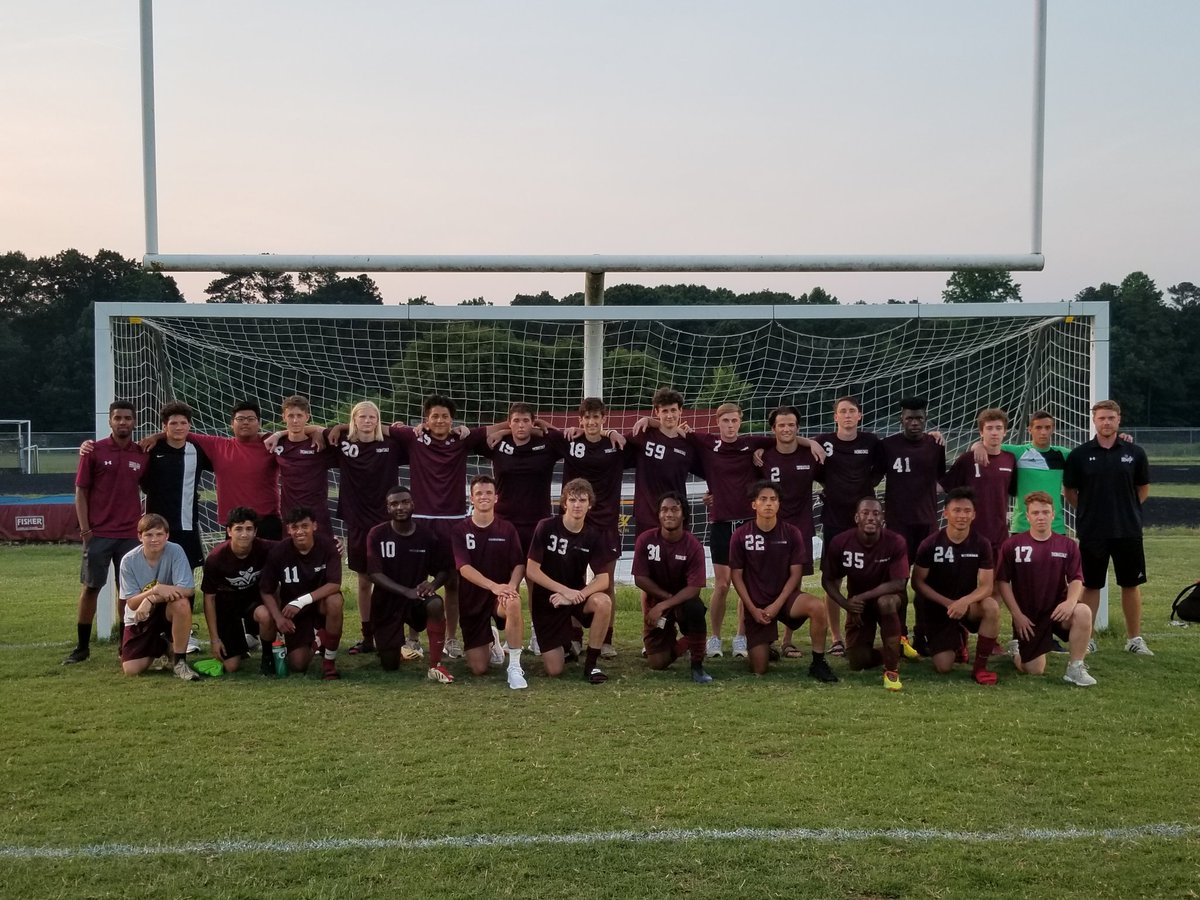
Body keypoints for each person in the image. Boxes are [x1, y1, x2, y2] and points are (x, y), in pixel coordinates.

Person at [388, 394, 490, 660]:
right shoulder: (414, 437)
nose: (440, 420)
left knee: (453, 582)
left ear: (452, 419)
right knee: (416, 579)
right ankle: (413, 639)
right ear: (426, 419)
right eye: (435, 416)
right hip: (421, 520)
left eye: (445, 416)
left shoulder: (462, 439)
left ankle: (451, 639)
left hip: (453, 521)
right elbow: (375, 426)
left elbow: (501, 427)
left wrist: (540, 424)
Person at [679, 402, 776, 661]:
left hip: (747, 523)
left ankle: (741, 636)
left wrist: (808, 444)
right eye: (725, 421)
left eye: (734, 420)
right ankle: (715, 637)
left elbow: (784, 439)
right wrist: (646, 421)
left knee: (746, 585)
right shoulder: (708, 443)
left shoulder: (751, 444)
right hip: (721, 523)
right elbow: (676, 429)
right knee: (722, 584)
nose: (730, 425)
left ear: (740, 422)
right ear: (718, 422)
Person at [1063, 399, 1153, 655]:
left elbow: (1143, 489)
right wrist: (1089, 510)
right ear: (1094, 420)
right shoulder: (1079, 455)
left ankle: (1134, 639)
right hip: (1092, 531)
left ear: (1118, 419)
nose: (1106, 422)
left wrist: (1127, 509)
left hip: (1128, 530)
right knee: (1091, 585)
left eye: (1111, 418)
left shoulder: (1135, 453)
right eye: (1101, 418)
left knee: (1130, 584)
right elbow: (1069, 491)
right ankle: (1088, 637)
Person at [728, 481, 836, 681]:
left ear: (779, 504)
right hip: (757, 605)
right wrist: (752, 609)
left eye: (773, 499)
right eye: (763, 499)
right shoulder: (741, 535)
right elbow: (736, 575)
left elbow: (796, 574)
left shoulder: (792, 532)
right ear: (754, 504)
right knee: (759, 669)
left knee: (818, 607)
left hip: (785, 601)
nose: (768, 503)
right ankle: (764, 646)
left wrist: (777, 604)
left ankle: (818, 662)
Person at [65, 400, 145, 665]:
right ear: (110, 421)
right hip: (98, 533)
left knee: (127, 592)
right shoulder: (93, 451)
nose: (123, 422)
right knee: (91, 588)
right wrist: (86, 530)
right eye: (118, 418)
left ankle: (125, 646)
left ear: (134, 422)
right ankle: (82, 648)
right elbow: (81, 492)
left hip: (130, 535)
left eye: (127, 418)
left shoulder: (141, 453)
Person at [329, 400, 408, 656]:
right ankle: (367, 636)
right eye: (362, 416)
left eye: (372, 417)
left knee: (392, 579)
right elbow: (312, 431)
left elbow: (414, 438)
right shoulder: (343, 443)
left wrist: (394, 428)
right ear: (353, 420)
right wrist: (339, 427)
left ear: (378, 420)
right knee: (364, 580)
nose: (367, 421)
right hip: (357, 522)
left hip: (388, 523)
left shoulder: (392, 445)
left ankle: (397, 634)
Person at [996, 491, 1095, 686]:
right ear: (1027, 516)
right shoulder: (1012, 545)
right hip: (1030, 616)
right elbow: (1003, 582)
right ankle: (1017, 651)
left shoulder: (1067, 545)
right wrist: (1017, 614)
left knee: (1083, 611)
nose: (1040, 517)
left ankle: (1075, 668)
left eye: (1045, 512)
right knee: (1034, 670)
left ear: (1053, 514)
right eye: (1035, 513)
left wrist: (1070, 602)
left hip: (1058, 610)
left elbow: (1076, 579)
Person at [553, 397, 627, 658]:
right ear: (580, 419)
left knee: (606, 582)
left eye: (597, 417)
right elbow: (537, 428)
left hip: (605, 524)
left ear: (604, 419)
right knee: (572, 580)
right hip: (574, 524)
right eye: (587, 417)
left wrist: (613, 432)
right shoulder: (570, 441)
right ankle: (574, 638)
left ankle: (606, 639)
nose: (592, 422)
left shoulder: (616, 445)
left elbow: (649, 434)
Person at [811, 396, 882, 659]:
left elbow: (881, 470)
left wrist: (864, 487)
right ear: (836, 417)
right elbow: (815, 469)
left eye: (852, 411)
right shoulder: (823, 441)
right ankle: (836, 637)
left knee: (867, 575)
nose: (848, 415)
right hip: (834, 519)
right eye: (843, 411)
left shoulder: (871, 442)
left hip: (865, 523)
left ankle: (864, 631)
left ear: (860, 415)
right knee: (833, 579)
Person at [525, 478, 616, 683]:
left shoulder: (593, 535)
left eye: (582, 500)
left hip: (574, 597)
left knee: (603, 602)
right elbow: (532, 570)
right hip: (547, 601)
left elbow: (604, 580)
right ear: (564, 503)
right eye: (572, 500)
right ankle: (566, 645)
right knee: (555, 670)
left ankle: (591, 665)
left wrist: (577, 595)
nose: (577, 505)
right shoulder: (546, 526)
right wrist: (563, 591)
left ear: (590, 504)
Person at [877, 397, 946, 658]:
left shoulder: (935, 446)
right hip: (898, 527)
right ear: (901, 420)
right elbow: (872, 476)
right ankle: (901, 635)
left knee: (926, 586)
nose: (914, 423)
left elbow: (942, 479)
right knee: (899, 585)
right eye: (909, 418)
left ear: (925, 420)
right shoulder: (888, 446)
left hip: (927, 525)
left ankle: (922, 634)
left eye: (919, 418)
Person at [911, 487, 1001, 684]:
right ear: (945, 513)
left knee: (991, 606)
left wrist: (964, 602)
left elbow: (986, 586)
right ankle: (957, 638)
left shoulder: (981, 543)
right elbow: (917, 582)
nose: (962, 515)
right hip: (938, 607)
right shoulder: (930, 543)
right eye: (956, 510)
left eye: (967, 511)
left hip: (967, 606)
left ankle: (980, 667)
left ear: (974, 514)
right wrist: (948, 603)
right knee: (944, 666)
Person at [366, 486, 454, 683]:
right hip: (387, 601)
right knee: (390, 665)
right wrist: (405, 591)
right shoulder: (377, 534)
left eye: (405, 502)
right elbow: (374, 574)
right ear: (388, 508)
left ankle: (436, 664)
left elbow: (444, 569)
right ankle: (393, 646)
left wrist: (433, 585)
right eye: (394, 504)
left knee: (435, 603)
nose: (400, 507)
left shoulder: (427, 535)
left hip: (417, 598)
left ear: (413, 504)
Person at [822, 496, 909, 690]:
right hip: (859, 606)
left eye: (876, 513)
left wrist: (861, 597)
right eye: (865, 513)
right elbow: (827, 580)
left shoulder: (895, 541)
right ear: (856, 518)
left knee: (885, 602)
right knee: (857, 660)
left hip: (890, 599)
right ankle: (895, 649)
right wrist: (846, 604)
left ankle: (892, 669)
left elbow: (899, 583)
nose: (871, 517)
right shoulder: (841, 542)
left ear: (882, 518)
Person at [451, 475, 529, 689]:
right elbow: (464, 568)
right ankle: (491, 639)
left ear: (496, 497)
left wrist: (511, 587)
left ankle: (514, 667)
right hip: (472, 600)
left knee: (513, 602)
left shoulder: (507, 529)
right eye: (478, 493)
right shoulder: (460, 530)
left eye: (488, 493)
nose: (483, 496)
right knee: (479, 669)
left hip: (499, 598)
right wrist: (494, 586)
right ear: (471, 498)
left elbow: (519, 564)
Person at [758, 404, 823, 658]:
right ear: (773, 429)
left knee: (795, 582)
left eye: (791, 425)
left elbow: (833, 476)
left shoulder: (811, 454)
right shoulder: (762, 455)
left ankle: (787, 640)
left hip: (801, 528)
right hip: (769, 528)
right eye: (781, 425)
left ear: (798, 427)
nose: (786, 429)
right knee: (763, 581)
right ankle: (763, 638)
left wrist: (811, 442)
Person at [632, 491, 713, 684]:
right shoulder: (646, 540)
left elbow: (694, 589)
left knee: (695, 607)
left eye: (674, 509)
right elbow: (640, 579)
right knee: (657, 663)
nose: (669, 514)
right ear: (658, 514)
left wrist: (666, 604)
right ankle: (690, 641)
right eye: (664, 510)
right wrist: (664, 602)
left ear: (683, 514)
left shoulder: (693, 545)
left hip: (684, 602)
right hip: (657, 601)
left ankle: (697, 665)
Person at [259, 507, 345, 679]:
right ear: (288, 529)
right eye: (295, 527)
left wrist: (301, 601)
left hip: (319, 604)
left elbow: (334, 584)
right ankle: (320, 638)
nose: (300, 531)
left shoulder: (328, 546)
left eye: (305, 526)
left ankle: (329, 662)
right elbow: (266, 590)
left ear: (314, 526)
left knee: (335, 601)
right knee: (298, 664)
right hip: (294, 612)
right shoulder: (279, 552)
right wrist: (278, 618)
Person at [178, 401, 282, 539]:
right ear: (232, 423)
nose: (245, 422)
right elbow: (179, 433)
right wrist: (157, 437)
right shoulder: (218, 445)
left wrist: (280, 434)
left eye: (251, 419)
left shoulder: (271, 443)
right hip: (235, 524)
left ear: (259, 423)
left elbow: (301, 433)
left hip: (267, 521)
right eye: (240, 419)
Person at [117, 513, 199, 681]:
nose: (154, 539)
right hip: (140, 616)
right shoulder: (128, 561)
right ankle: (163, 645)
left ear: (167, 535)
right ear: (140, 536)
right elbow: (131, 603)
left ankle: (179, 662)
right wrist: (154, 590)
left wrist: (152, 598)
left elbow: (188, 590)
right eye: (149, 535)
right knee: (132, 669)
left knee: (182, 604)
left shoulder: (176, 551)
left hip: (167, 610)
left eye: (159, 534)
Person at [200, 507, 278, 675]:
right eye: (239, 529)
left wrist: (330, 545)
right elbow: (209, 598)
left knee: (266, 614)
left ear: (255, 531)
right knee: (231, 666)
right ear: (229, 531)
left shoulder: (265, 548)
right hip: (226, 606)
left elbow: (291, 547)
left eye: (249, 529)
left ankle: (267, 656)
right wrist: (214, 640)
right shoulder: (215, 558)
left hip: (252, 600)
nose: (244, 534)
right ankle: (238, 648)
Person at [140, 401, 212, 570]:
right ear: (164, 426)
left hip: (187, 524)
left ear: (189, 426)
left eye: (183, 423)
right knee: (157, 572)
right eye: (173, 423)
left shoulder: (198, 451)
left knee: (186, 572)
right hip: (157, 526)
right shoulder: (151, 450)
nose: (179, 427)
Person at [942, 409, 1016, 562]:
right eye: (989, 428)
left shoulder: (1010, 459)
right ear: (981, 432)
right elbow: (945, 487)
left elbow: (1013, 490)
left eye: (998, 428)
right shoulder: (967, 459)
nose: (994, 432)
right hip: (970, 533)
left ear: (1005, 432)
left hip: (999, 534)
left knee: (996, 575)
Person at [270, 395, 334, 528]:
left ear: (307, 417)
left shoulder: (320, 444)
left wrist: (317, 430)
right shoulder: (276, 444)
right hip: (290, 516)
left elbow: (345, 433)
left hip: (317, 516)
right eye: (290, 416)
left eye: (299, 415)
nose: (295, 420)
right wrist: (278, 434)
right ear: (283, 417)